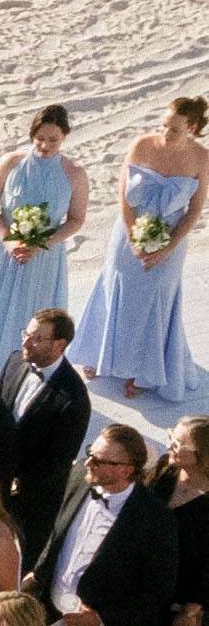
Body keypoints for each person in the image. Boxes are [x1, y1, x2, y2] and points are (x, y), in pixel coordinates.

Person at [32, 422, 177, 626]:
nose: (88, 462)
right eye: (90, 453)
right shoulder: (79, 478)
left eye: (99, 460)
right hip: (47, 616)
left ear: (126, 470)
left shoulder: (156, 520)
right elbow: (55, 532)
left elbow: (156, 592)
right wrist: (37, 574)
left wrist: (99, 619)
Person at [76, 91, 209, 399]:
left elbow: (194, 210)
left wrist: (167, 248)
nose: (165, 132)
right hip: (128, 232)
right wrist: (134, 238)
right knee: (116, 288)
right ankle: (100, 354)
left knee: (157, 299)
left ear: (192, 127)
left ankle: (145, 372)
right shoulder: (141, 144)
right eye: (163, 124)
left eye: (174, 129)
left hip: (171, 238)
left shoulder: (202, 158)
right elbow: (123, 196)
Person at [0, 106, 90, 362]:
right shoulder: (11, 163)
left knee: (33, 316)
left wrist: (44, 243)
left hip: (43, 258)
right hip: (5, 251)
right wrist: (8, 238)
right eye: (40, 138)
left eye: (53, 139)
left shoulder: (75, 173)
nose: (45, 145)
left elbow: (76, 219)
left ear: (64, 136)